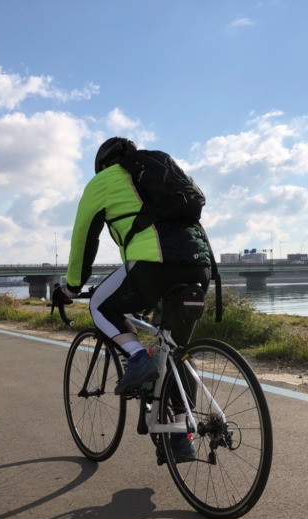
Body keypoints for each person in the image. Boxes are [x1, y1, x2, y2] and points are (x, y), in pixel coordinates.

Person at [57, 137, 212, 460]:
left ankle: (138, 358)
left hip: (152, 265)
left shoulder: (103, 181)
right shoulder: (160, 171)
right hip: (200, 266)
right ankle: (181, 434)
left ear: (102, 164)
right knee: (175, 351)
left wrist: (71, 287)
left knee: (99, 303)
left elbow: (84, 238)